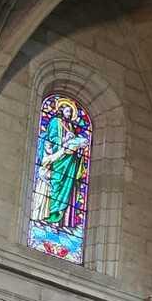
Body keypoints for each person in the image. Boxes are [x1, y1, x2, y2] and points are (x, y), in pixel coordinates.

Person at [33, 99, 90, 232]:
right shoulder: (55, 122)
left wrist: (78, 149)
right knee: (54, 187)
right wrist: (64, 140)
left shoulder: (70, 126)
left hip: (69, 163)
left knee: (66, 189)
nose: (69, 114)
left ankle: (59, 221)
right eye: (67, 111)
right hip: (57, 160)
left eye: (70, 112)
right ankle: (47, 217)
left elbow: (74, 143)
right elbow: (52, 138)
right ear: (61, 110)